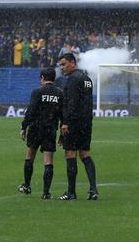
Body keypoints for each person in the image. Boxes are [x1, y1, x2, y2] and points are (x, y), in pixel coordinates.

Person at [57, 52, 97, 200]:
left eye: (64, 64)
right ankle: (93, 190)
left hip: (74, 122)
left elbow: (71, 103)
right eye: (60, 65)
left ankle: (71, 192)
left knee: (70, 154)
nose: (62, 68)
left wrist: (66, 122)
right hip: (86, 122)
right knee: (85, 154)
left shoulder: (72, 80)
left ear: (73, 63)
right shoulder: (87, 79)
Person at [19, 67, 63, 199]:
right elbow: (63, 114)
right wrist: (61, 132)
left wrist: (24, 126)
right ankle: (46, 192)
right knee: (48, 161)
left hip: (36, 128)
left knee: (30, 156)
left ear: (42, 78)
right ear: (54, 78)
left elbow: (31, 110)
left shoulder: (37, 92)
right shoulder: (60, 93)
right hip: (50, 129)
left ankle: (27, 185)